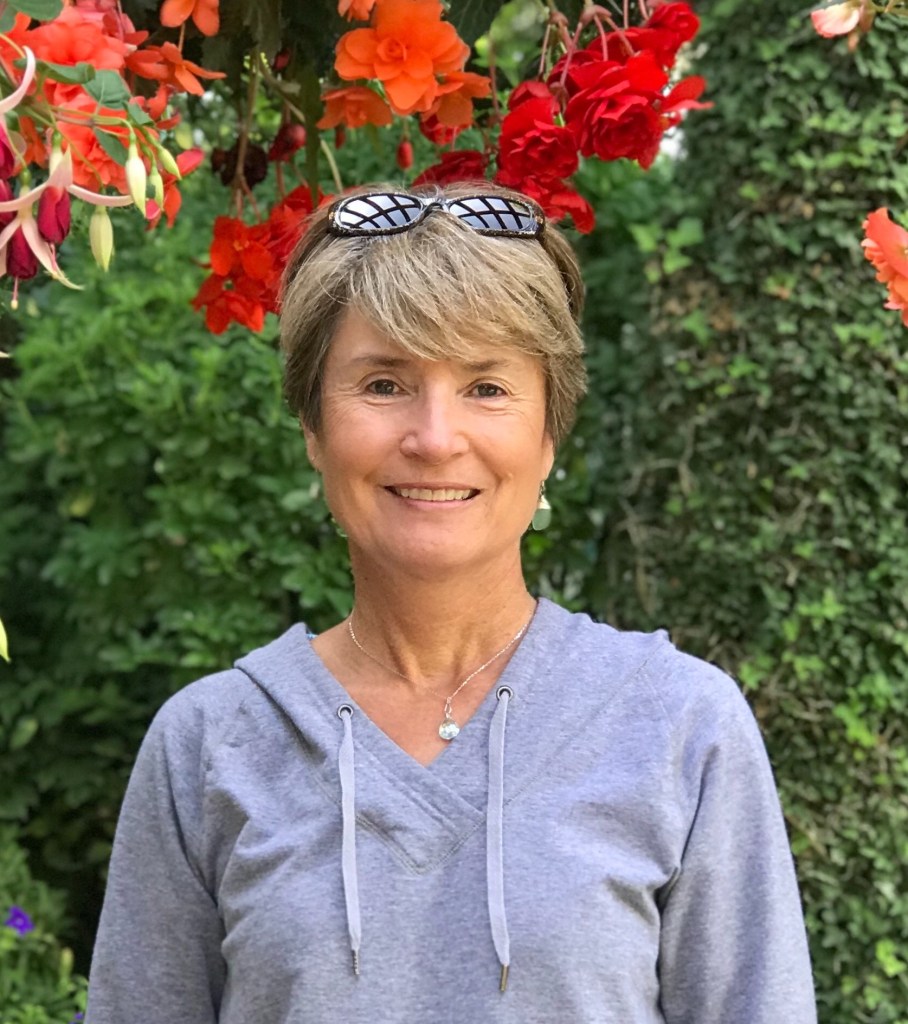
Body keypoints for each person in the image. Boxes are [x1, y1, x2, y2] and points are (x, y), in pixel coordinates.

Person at [85, 183, 817, 1023]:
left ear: (548, 435)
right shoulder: (210, 744)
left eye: (487, 387)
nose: (435, 439)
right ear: (314, 431)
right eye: (384, 383)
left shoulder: (680, 726)